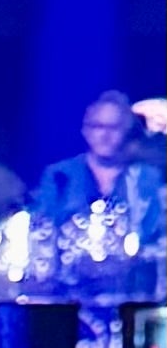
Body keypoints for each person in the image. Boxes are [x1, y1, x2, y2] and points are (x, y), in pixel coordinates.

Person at [29, 87, 166, 290]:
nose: (104, 135)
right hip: (67, 290)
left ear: (127, 132)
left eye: (114, 128)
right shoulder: (60, 175)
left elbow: (156, 234)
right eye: (98, 127)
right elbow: (41, 231)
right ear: (85, 130)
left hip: (130, 288)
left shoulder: (147, 178)